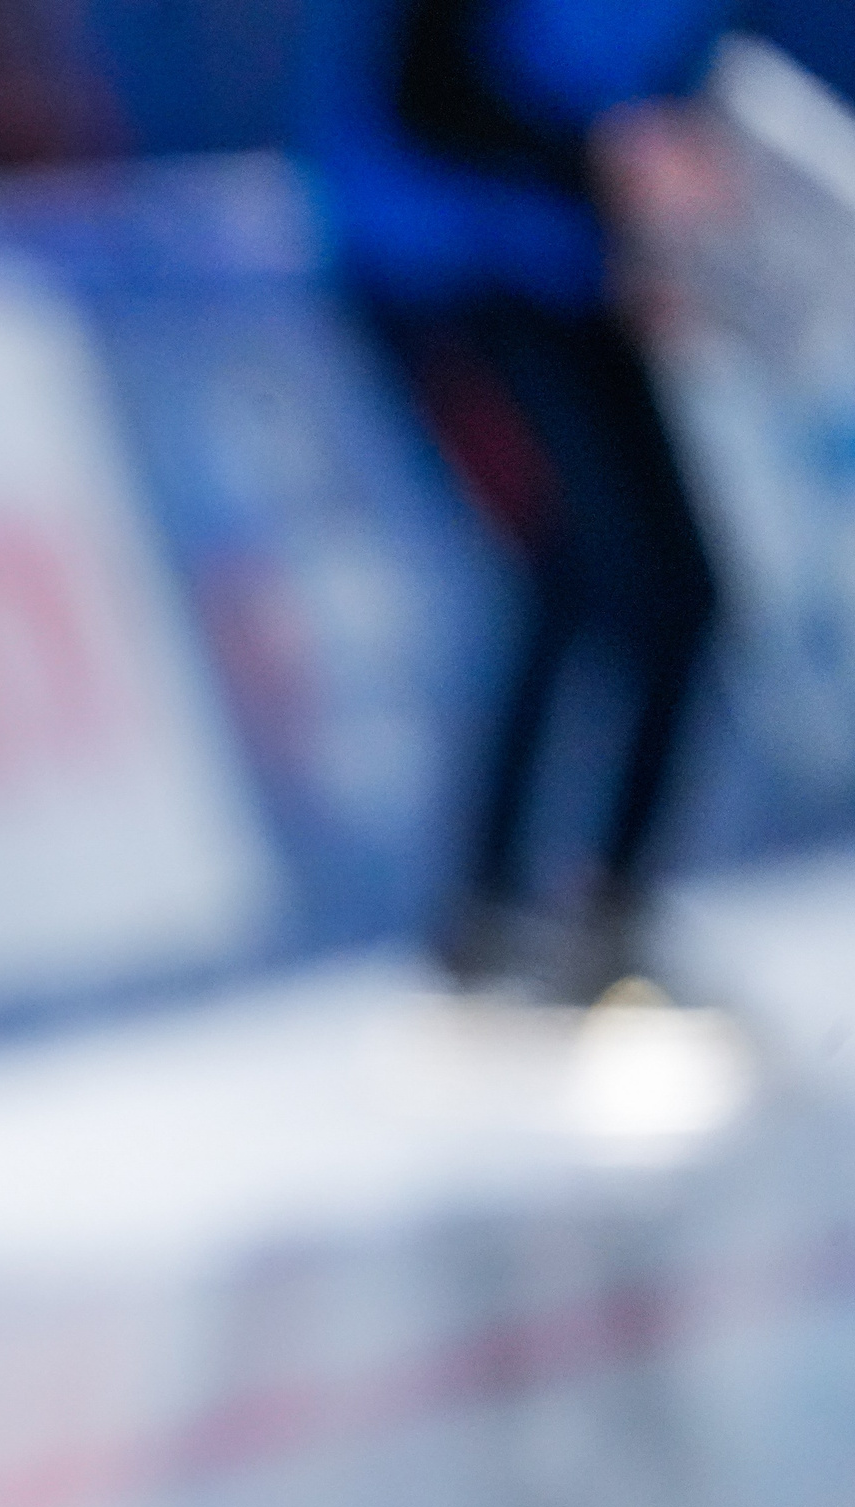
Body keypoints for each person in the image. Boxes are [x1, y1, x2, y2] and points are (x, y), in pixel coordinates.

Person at [302, 0, 748, 1000]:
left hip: (563, 278)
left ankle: (605, 907)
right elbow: (429, 96)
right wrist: (604, 169)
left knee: (683, 593)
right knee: (573, 574)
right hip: (445, 273)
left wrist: (660, 220)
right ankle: (490, 911)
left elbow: (661, 111)